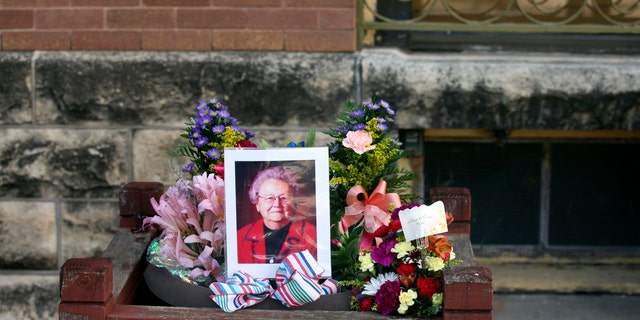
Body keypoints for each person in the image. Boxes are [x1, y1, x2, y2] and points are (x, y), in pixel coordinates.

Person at [237, 166, 317, 264]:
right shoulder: (240, 238)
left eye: (284, 198)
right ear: (257, 203)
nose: (277, 204)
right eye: (270, 198)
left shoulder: (312, 236)